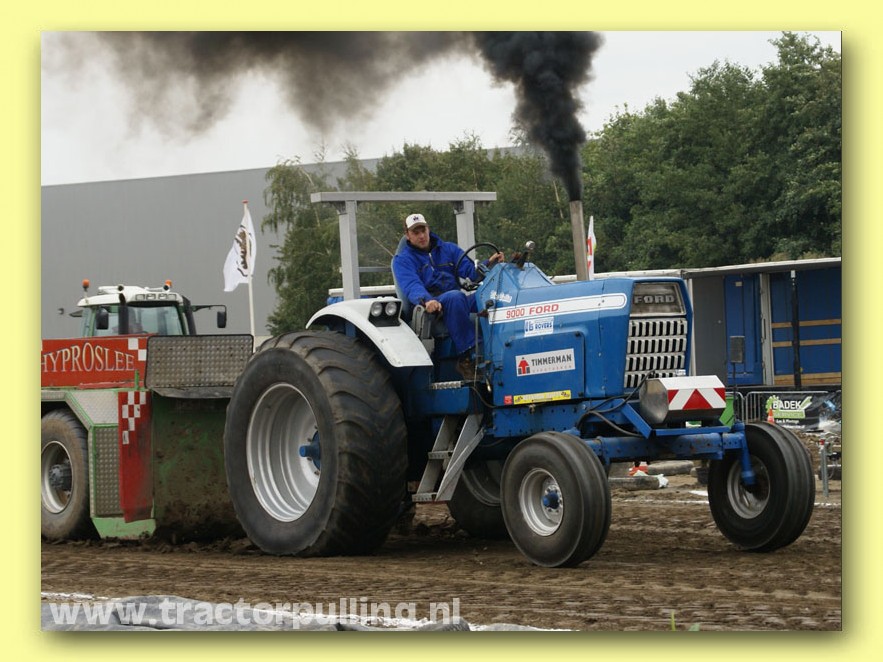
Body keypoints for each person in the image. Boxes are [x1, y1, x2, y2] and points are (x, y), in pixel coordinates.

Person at [392, 212, 504, 380]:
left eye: (423, 230)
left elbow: (471, 273)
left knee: (492, 297)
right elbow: (412, 285)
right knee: (455, 297)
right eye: (416, 232)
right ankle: (468, 357)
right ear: (407, 235)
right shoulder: (402, 260)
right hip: (432, 304)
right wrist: (427, 300)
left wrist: (489, 264)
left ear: (428, 229)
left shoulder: (448, 249)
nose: (421, 236)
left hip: (457, 300)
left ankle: (504, 350)